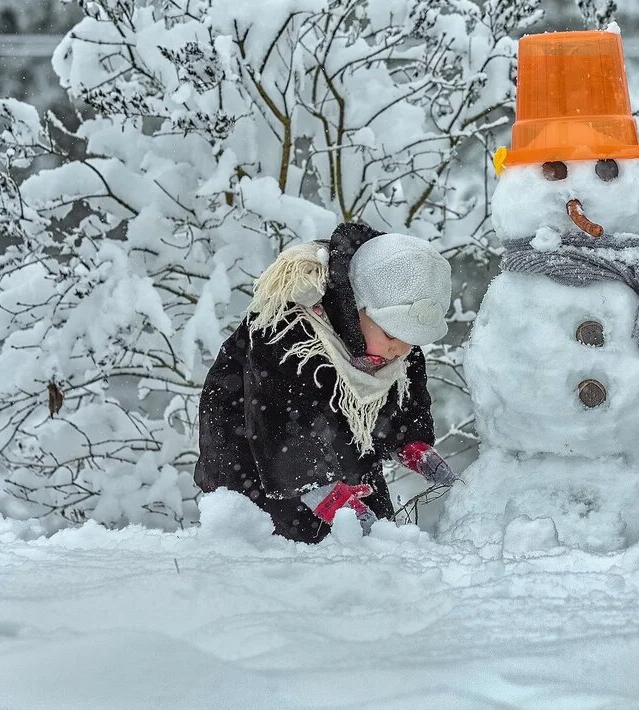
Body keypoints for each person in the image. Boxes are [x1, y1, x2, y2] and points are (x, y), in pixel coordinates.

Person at [196, 223, 457, 543]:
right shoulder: (290, 334)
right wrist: (323, 492)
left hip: (341, 437)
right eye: (392, 334)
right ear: (356, 306)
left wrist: (410, 441)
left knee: (376, 534)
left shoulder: (392, 343)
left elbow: (405, 394)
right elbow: (281, 420)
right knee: (293, 540)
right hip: (257, 447)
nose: (399, 350)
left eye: (411, 341)